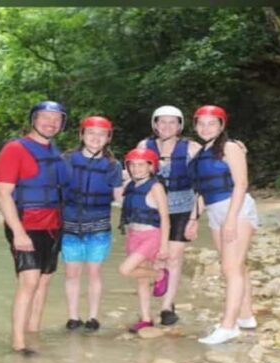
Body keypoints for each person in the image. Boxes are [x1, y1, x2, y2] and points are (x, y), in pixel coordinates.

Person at [0, 100, 69, 356]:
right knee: (29, 282)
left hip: (53, 225)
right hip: (26, 225)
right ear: (34, 119)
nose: (51, 122)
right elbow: (3, 194)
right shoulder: (15, 149)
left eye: (57, 118)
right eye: (45, 117)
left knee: (44, 282)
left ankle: (33, 333)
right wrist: (18, 232)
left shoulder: (56, 153)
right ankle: (18, 343)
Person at [185, 105, 259, 345]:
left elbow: (241, 183)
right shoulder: (200, 154)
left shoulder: (230, 147)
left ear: (221, 125)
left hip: (235, 208)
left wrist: (230, 219)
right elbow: (202, 191)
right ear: (195, 126)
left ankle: (229, 326)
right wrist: (193, 219)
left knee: (231, 267)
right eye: (201, 123)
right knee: (237, 265)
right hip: (215, 211)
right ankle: (246, 316)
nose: (206, 127)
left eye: (212, 123)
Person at [136, 105, 199, 326]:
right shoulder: (145, 146)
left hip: (182, 206)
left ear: (180, 125)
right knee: (153, 258)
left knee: (174, 256)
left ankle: (166, 306)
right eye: (162, 122)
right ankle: (155, 288)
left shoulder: (192, 148)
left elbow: (205, 178)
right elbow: (135, 174)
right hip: (151, 208)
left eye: (172, 122)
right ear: (155, 124)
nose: (166, 126)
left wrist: (195, 217)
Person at [61, 116, 124, 332]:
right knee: (71, 273)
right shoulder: (67, 159)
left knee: (94, 272)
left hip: (98, 226)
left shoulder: (113, 165)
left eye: (101, 134)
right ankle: (73, 316)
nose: (96, 138)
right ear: (81, 135)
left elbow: (118, 196)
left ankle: (93, 316)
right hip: (69, 225)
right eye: (91, 133)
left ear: (108, 138)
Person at [117, 148, 170, 332]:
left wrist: (164, 246)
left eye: (141, 164)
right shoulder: (130, 186)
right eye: (132, 164)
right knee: (141, 280)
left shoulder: (156, 187)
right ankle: (146, 318)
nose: (136, 168)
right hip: (134, 234)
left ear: (151, 167)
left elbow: (165, 217)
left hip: (151, 236)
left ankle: (160, 275)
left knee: (125, 270)